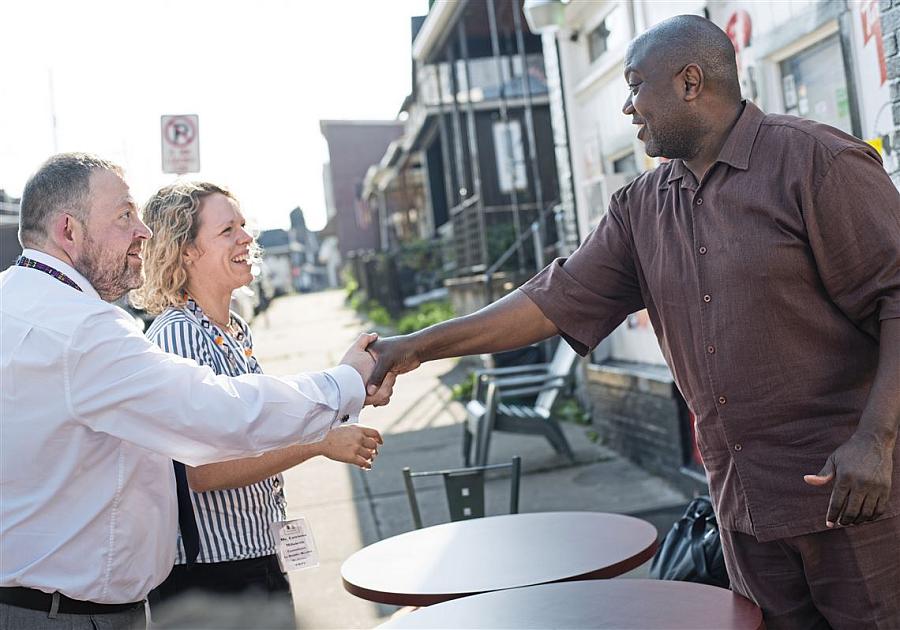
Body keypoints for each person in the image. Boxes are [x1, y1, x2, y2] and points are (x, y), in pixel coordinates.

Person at [366, 15, 900, 630]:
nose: (626, 107)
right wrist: (415, 348)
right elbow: (551, 298)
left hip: (852, 500)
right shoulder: (640, 208)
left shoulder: (817, 162)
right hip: (745, 510)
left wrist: (876, 439)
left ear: (690, 82)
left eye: (635, 86)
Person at [0, 153, 394, 630]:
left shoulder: (16, 302)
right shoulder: (84, 331)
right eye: (125, 215)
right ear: (69, 231)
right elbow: (218, 414)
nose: (142, 231)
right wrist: (344, 384)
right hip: (71, 616)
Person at [133, 181, 383, 606]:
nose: (247, 238)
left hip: (252, 556)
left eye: (244, 226)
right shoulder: (178, 335)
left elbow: (259, 420)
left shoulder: (234, 330)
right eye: (228, 229)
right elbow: (205, 471)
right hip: (215, 577)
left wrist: (348, 394)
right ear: (186, 250)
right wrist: (319, 443)